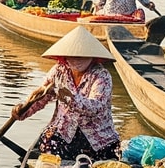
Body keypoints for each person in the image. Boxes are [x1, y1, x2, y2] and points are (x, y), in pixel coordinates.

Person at [9, 27, 120, 159]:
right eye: (72, 56)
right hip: (64, 130)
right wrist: (24, 110)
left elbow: (95, 107)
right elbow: (41, 96)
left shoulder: (101, 75)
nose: (77, 60)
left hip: (96, 136)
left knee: (100, 158)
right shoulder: (59, 71)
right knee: (50, 145)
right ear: (65, 56)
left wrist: (67, 96)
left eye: (82, 57)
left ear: (92, 57)